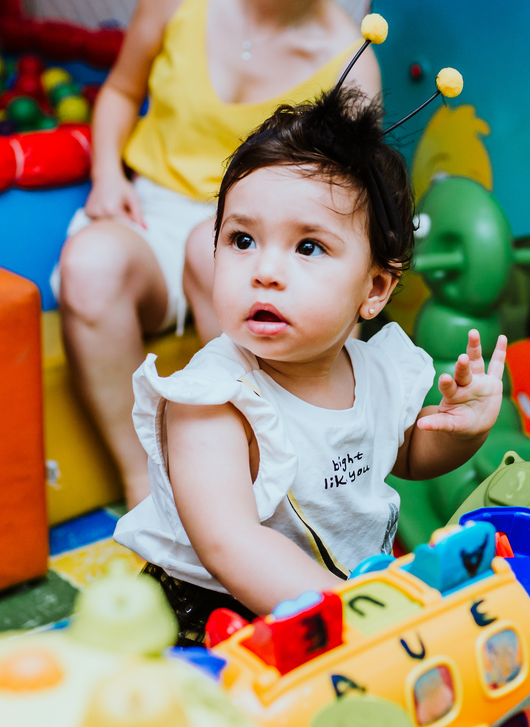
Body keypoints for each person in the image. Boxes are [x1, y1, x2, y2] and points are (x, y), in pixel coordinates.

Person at [113, 87, 509, 644]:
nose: (265, 270)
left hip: (348, 597)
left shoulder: (376, 373)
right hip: (219, 620)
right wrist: (356, 609)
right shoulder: (213, 398)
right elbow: (229, 541)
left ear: (374, 288)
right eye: (242, 239)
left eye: (307, 247)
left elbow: (400, 457)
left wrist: (462, 432)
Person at [56, 0, 381, 510]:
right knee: (87, 264)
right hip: (151, 210)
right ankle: (144, 487)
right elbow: (120, 90)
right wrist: (107, 174)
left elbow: (350, 205)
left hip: (260, 230)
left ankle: (257, 475)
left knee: (209, 249)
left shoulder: (349, 58)